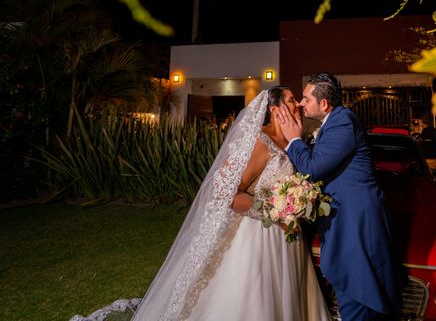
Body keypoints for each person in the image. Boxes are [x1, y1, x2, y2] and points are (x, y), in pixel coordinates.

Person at [73, 87, 331, 321]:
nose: (297, 103)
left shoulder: (292, 143)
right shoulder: (260, 143)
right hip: (259, 236)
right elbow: (225, 192)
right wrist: (273, 212)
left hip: (287, 238)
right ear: (275, 110)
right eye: (290, 100)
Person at [276, 73, 405, 321]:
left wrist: (293, 139)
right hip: (346, 220)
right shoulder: (333, 122)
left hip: (354, 221)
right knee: (356, 289)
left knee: (358, 290)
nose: (301, 104)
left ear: (324, 104)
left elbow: (312, 169)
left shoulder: (342, 121)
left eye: (305, 99)